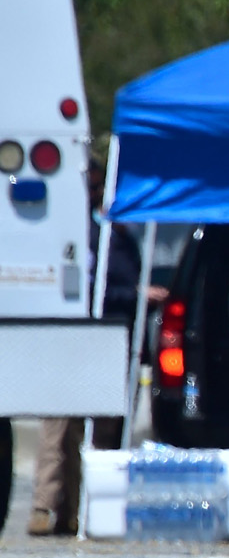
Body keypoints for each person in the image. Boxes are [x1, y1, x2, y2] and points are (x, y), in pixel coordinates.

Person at [31, 165, 152, 536]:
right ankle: (51, 507)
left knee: (84, 431)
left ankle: (74, 509)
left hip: (93, 339)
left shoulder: (106, 235)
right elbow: (100, 288)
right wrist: (135, 295)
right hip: (81, 337)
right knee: (69, 429)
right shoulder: (82, 235)